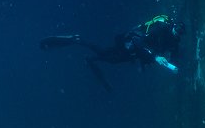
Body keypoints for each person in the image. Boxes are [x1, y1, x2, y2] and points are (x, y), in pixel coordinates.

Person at [40, 14, 183, 92]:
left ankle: (91, 58)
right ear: (173, 27)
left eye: (179, 34)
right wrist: (155, 57)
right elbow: (139, 41)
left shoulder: (173, 41)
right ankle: (78, 40)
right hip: (129, 44)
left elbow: (173, 55)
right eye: (176, 31)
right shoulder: (159, 29)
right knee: (106, 54)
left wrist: (172, 64)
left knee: (111, 59)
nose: (176, 34)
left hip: (135, 52)